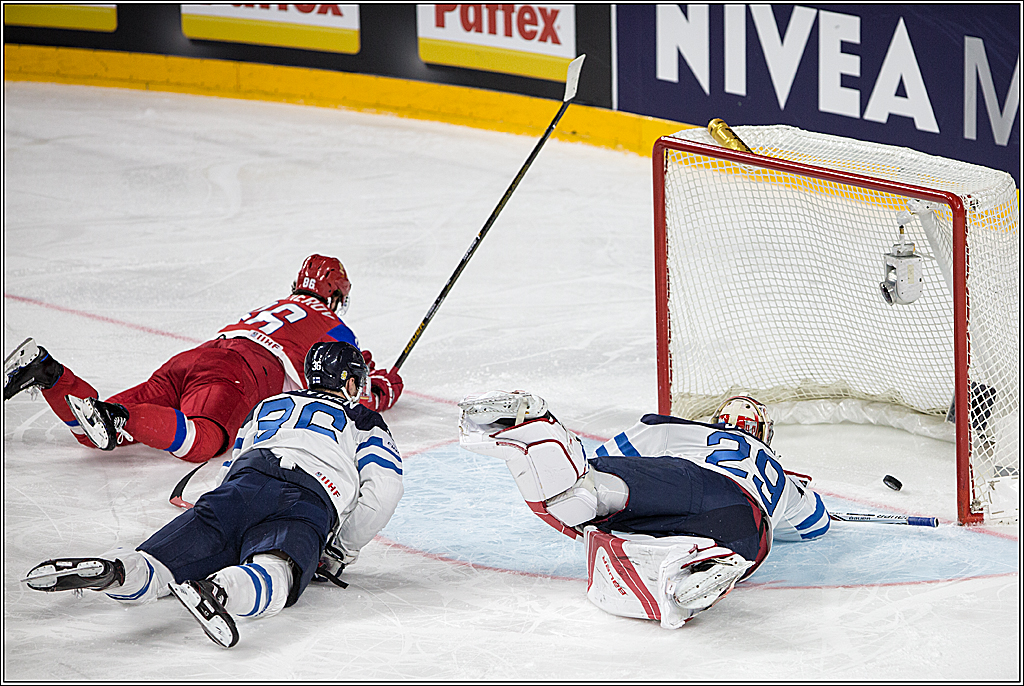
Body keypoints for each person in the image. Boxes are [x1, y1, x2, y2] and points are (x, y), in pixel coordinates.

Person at [21, 341, 404, 649]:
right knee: (277, 572)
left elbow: (232, 463)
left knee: (159, 562)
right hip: (305, 500)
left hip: (242, 484)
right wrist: (339, 551)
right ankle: (217, 590)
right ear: (351, 383)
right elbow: (385, 489)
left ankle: (116, 572)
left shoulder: (269, 404)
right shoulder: (364, 420)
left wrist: (228, 503)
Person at [457, 391, 830, 628]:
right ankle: (697, 570)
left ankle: (533, 423)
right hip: (750, 528)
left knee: (582, 496)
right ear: (764, 435)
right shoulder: (783, 478)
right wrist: (788, 491)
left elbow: (603, 457)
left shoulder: (681, 429)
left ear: (716, 422)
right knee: (706, 548)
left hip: (688, 481)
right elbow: (815, 525)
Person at [3, 254, 404, 463]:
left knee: (92, 430)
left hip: (196, 358)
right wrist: (384, 387)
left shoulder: (278, 305)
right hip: (236, 374)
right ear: (336, 293)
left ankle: (49, 373)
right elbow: (350, 390)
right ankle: (122, 418)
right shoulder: (334, 326)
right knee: (206, 439)